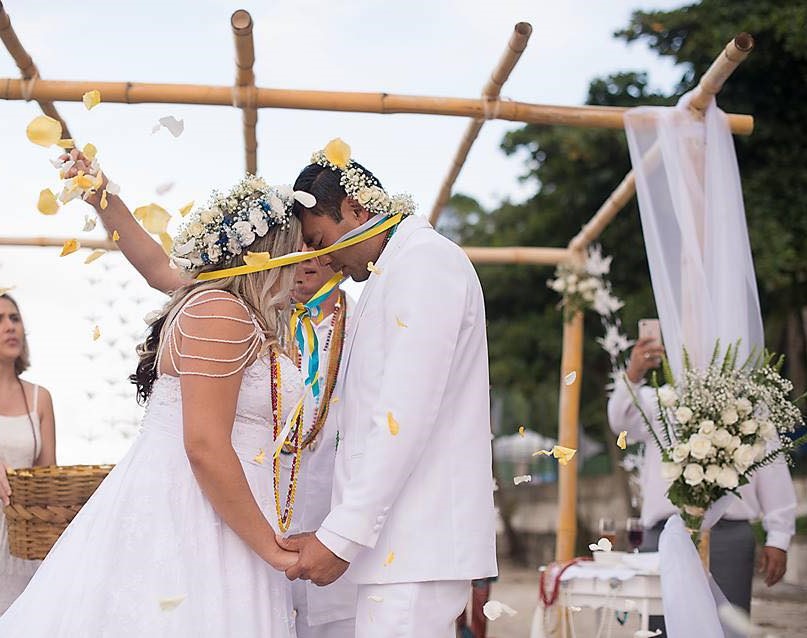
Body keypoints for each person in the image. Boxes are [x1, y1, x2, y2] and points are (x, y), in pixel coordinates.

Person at [0, 165, 307, 636]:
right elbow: (204, 444)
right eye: (299, 246)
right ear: (270, 253)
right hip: (197, 518)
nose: (307, 257)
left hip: (218, 512)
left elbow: (155, 265)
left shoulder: (214, 304)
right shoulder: (220, 312)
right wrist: (269, 547)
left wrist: (104, 197)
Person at [279, 139, 498, 637]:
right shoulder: (396, 267)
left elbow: (405, 414)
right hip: (398, 549)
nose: (322, 260)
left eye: (320, 240)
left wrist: (341, 536)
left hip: (416, 546)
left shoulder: (425, 263)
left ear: (356, 208)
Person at [608, 336, 797, 628]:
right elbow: (619, 420)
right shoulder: (663, 399)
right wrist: (634, 374)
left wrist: (779, 536)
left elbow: (771, 465)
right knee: (660, 627)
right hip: (663, 535)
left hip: (728, 537)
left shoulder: (748, 403)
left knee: (728, 627)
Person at [281, 257, 357, 637]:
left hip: (340, 529)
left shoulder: (366, 324)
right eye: (294, 245)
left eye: (314, 243)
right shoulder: (256, 326)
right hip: (264, 527)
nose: (304, 257)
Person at [0, 293, 57, 613]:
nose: (10, 327)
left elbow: (48, 479)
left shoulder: (40, 399)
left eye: (15, 318)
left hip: (22, 544)